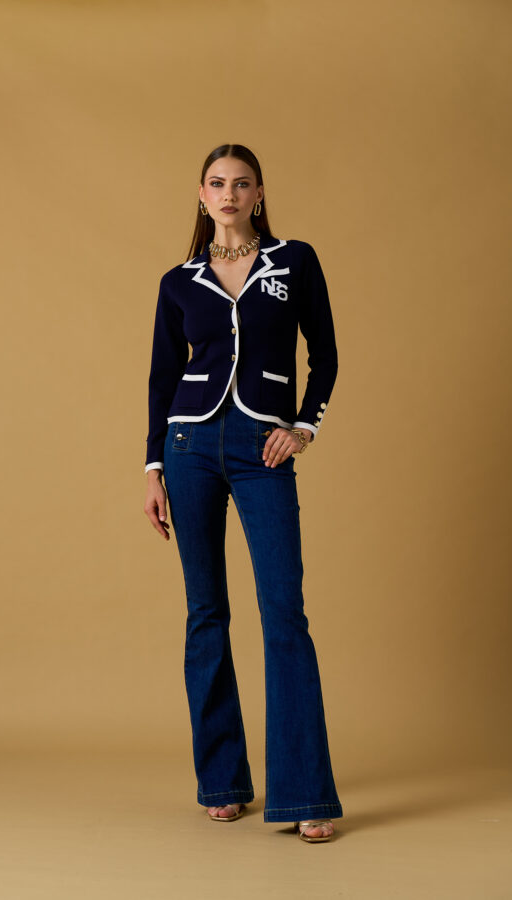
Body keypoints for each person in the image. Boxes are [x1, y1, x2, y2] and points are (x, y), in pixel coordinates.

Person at [143, 143, 343, 843]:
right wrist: (153, 468)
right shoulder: (179, 281)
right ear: (202, 196)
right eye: (217, 183)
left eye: (242, 183)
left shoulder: (295, 261)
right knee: (207, 613)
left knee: (284, 612)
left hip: (263, 447)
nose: (229, 193)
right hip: (189, 448)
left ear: (259, 194)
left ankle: (305, 792)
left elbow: (326, 353)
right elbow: (161, 378)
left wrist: (304, 427)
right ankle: (222, 781)